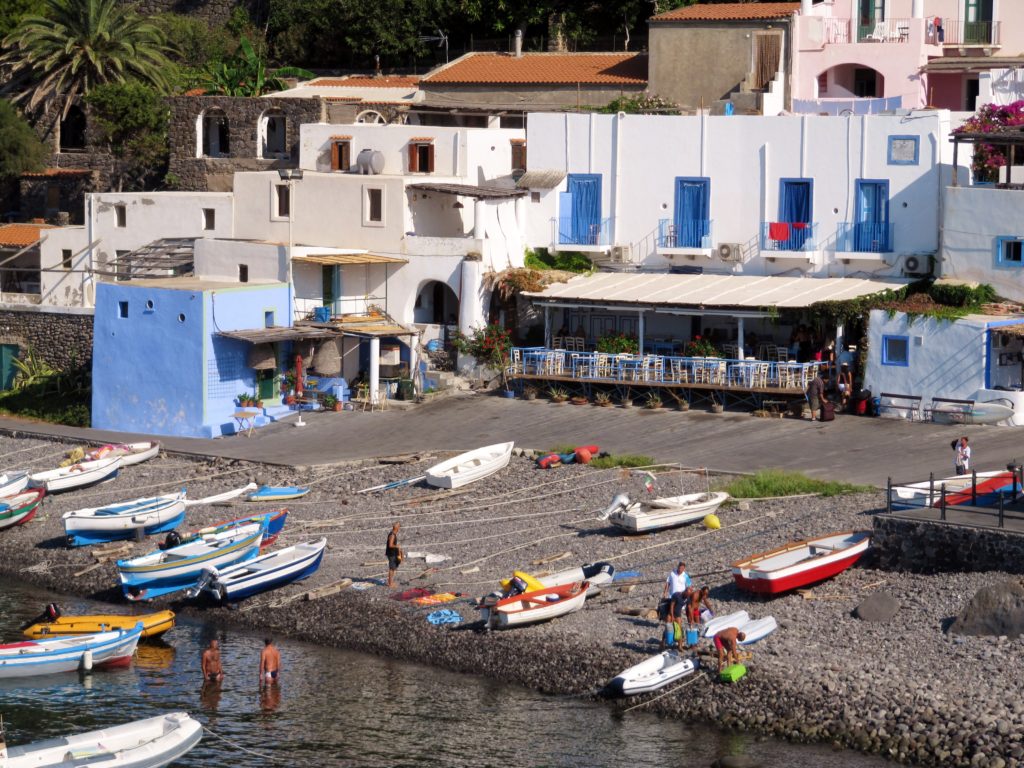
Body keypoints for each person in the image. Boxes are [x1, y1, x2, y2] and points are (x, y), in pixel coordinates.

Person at [386, 522, 403, 588]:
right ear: (397, 528)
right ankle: (390, 583)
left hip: (392, 553)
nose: (399, 528)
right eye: (399, 526)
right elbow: (390, 545)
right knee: (391, 568)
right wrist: (397, 546)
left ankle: (391, 582)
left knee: (393, 568)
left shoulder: (393, 534)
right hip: (391, 554)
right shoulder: (392, 535)